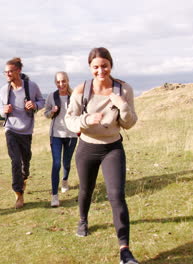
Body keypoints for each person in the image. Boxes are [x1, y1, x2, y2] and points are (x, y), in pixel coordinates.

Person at [65, 47, 139, 264]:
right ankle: (83, 220)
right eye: (95, 67)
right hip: (87, 147)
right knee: (86, 190)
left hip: (112, 148)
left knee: (116, 195)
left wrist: (122, 106)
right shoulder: (81, 90)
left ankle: (124, 250)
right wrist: (86, 121)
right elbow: (70, 120)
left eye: (104, 66)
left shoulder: (124, 89)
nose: (100, 71)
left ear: (111, 65)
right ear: (90, 68)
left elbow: (130, 123)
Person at [0, 57, 45, 209]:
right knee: (15, 162)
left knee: (26, 162)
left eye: (10, 71)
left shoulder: (31, 86)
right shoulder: (4, 90)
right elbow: (0, 109)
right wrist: (3, 110)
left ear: (19, 71)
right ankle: (18, 194)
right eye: (5, 72)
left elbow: (41, 101)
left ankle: (24, 178)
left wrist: (34, 104)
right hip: (10, 129)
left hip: (26, 130)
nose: (8, 74)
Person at [43, 71, 78, 207]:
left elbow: (80, 112)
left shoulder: (74, 96)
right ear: (55, 83)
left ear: (67, 81)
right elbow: (46, 114)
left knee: (66, 162)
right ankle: (54, 196)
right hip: (56, 135)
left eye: (63, 81)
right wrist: (52, 111)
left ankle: (65, 180)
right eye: (58, 82)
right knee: (56, 163)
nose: (61, 84)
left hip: (71, 135)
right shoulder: (52, 96)